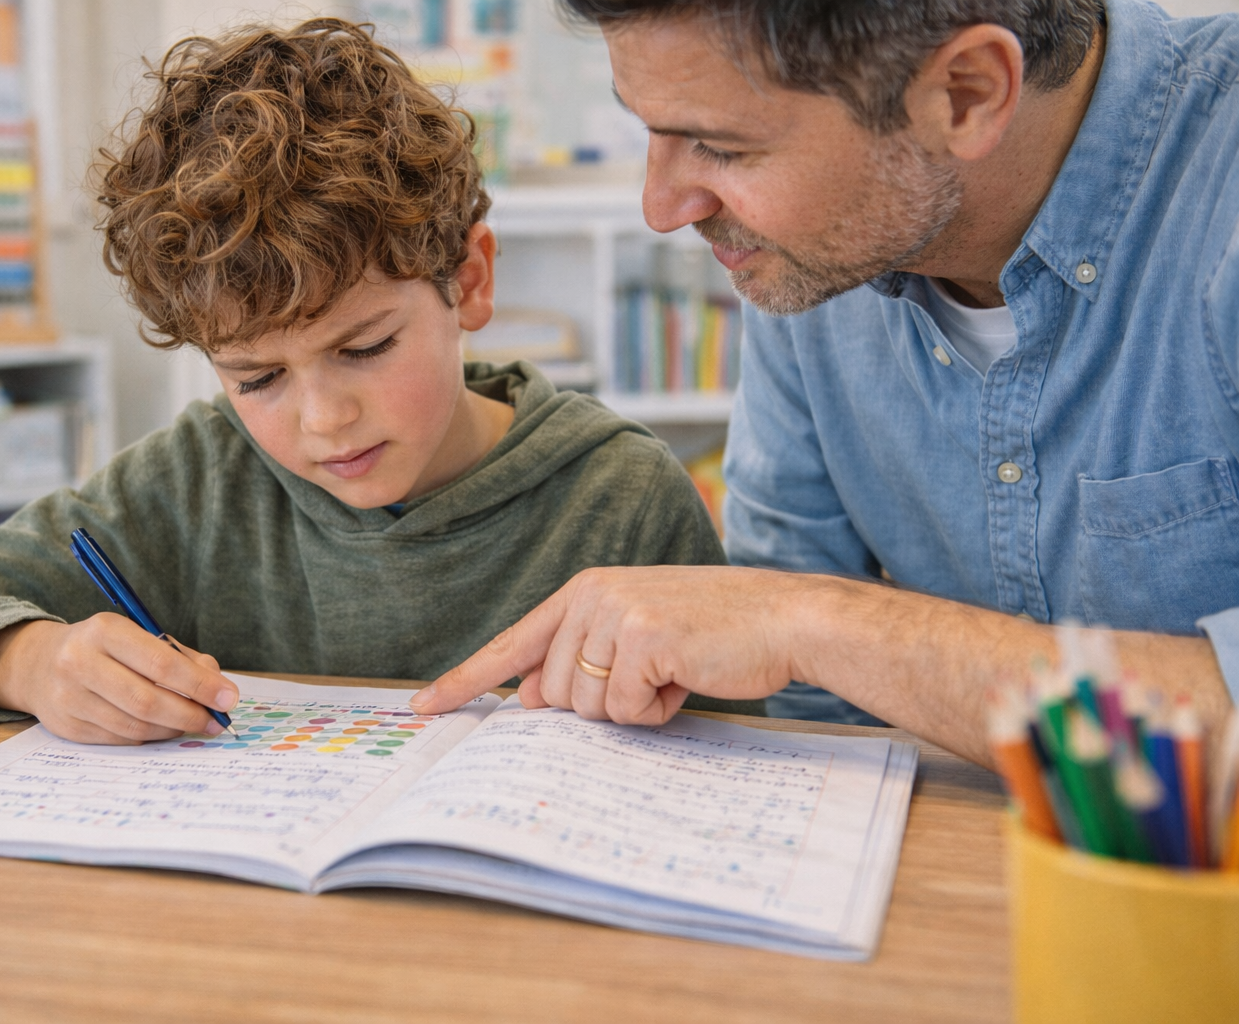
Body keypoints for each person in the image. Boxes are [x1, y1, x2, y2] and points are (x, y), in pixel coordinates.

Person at [0, 19, 750, 746]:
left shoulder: (623, 500)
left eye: (364, 349)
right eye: (256, 377)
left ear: (469, 281)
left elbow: (749, 761)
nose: (325, 419)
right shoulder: (198, 481)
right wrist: (30, 660)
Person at [411, 0, 1239, 766]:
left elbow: (792, 625)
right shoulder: (819, 258)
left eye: (724, 148)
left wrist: (816, 622)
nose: (661, 207)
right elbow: (806, 709)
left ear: (966, 93)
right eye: (652, 134)